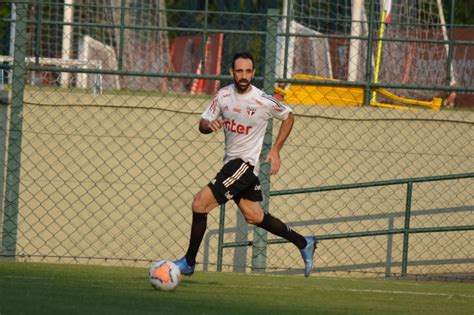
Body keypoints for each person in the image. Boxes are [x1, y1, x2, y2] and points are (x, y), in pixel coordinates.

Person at [174, 52, 317, 277]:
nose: (244, 76)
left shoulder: (262, 100)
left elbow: (289, 117)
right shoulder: (223, 96)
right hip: (234, 164)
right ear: (231, 72)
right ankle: (303, 242)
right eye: (239, 71)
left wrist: (276, 149)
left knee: (200, 204)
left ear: (253, 73)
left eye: (248, 71)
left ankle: (188, 262)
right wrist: (208, 125)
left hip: (244, 165)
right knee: (255, 217)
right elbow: (203, 122)